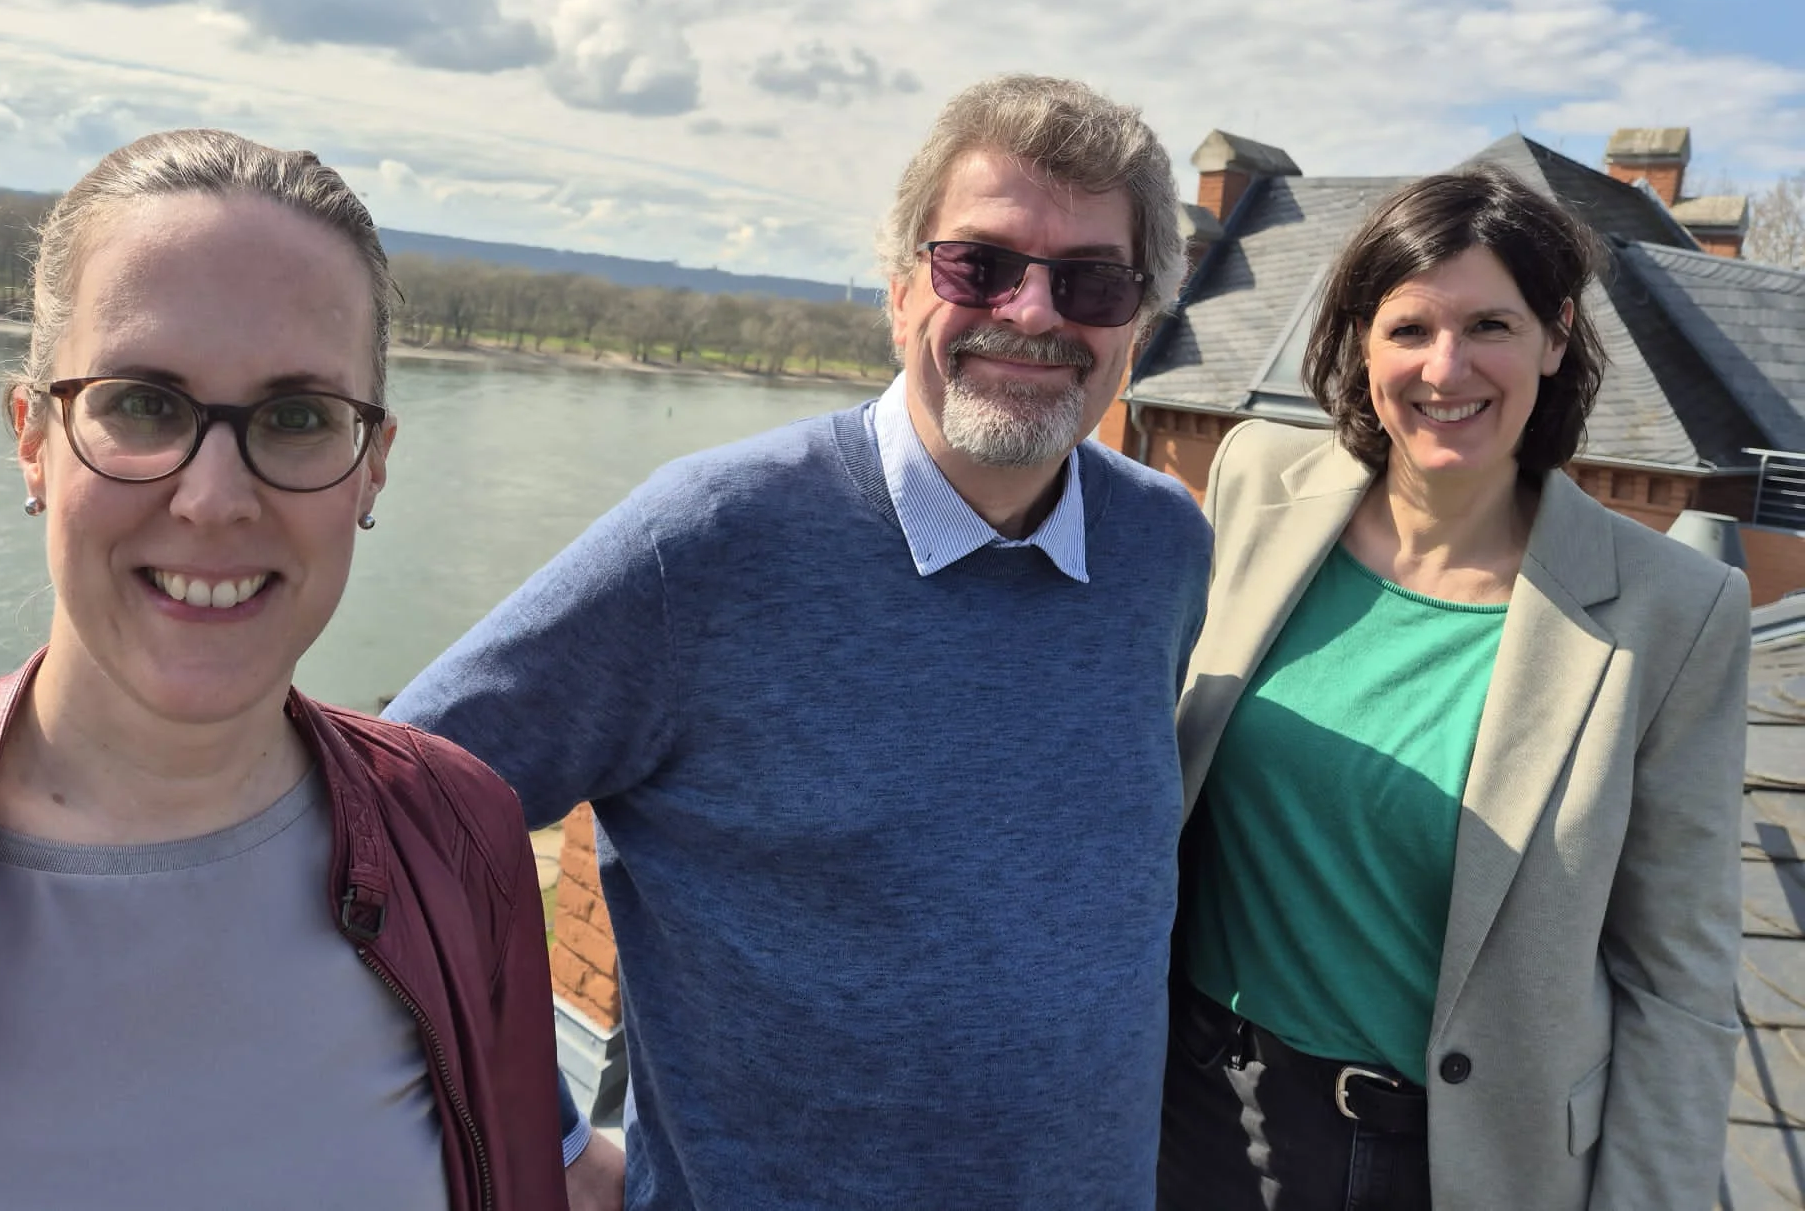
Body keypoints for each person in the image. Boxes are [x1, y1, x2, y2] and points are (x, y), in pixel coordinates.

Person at [390, 74, 1213, 1209]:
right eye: (977, 264)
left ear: (1139, 318)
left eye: (1089, 280)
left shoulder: (1161, 546)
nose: (1030, 312)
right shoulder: (708, 541)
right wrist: (553, 1144)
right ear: (898, 291)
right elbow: (390, 820)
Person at [0, 131, 566, 1211]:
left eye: (298, 417)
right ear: (32, 438)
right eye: (143, 404)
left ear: (372, 468)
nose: (212, 499)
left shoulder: (459, 838)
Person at [1161, 165, 1750, 1211]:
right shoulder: (1255, 483)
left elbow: (1677, 982)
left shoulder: (1672, 612)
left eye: (1489, 324)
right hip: (1194, 1114)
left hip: (1447, 1164)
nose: (1446, 368)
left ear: (1554, 337)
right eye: (1407, 329)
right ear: (1357, 340)